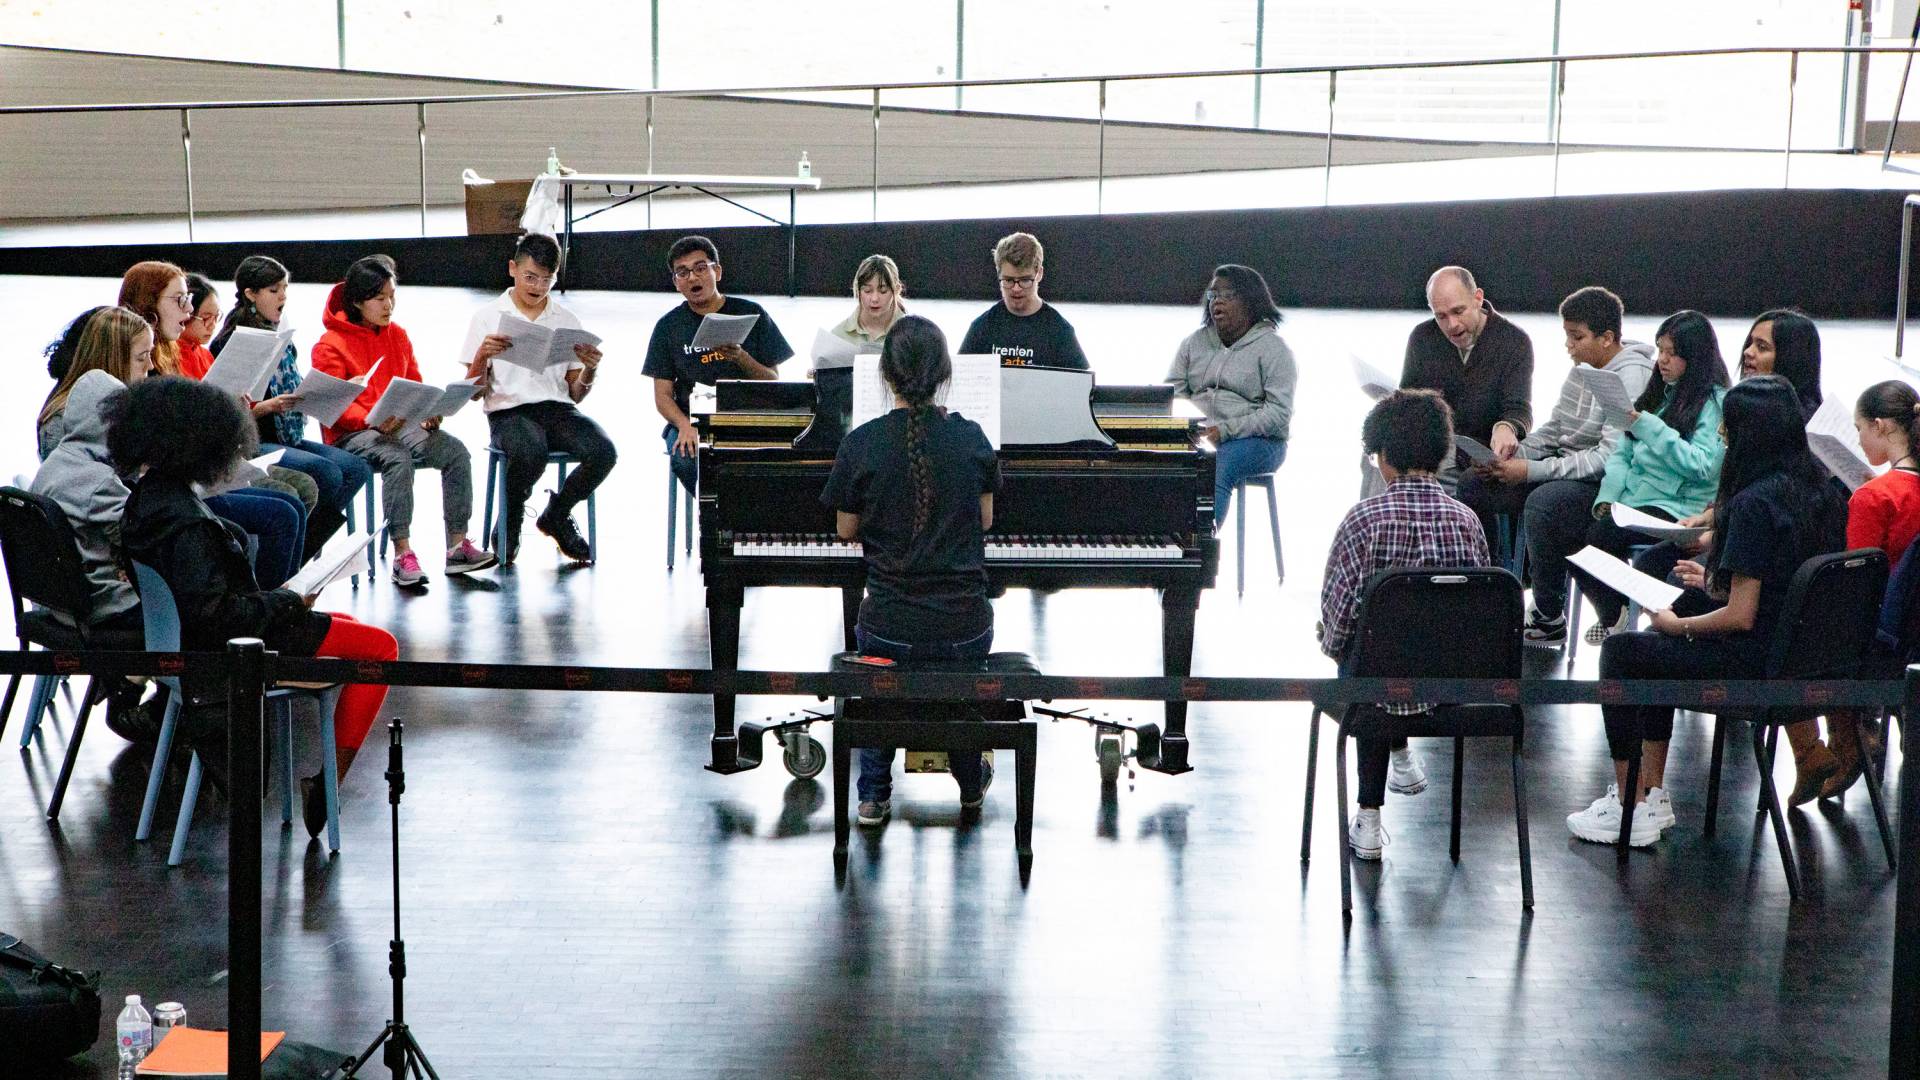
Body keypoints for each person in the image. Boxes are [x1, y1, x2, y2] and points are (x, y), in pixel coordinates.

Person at [110, 375, 400, 838]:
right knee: (380, 648)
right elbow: (219, 615)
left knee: (344, 625)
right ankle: (328, 786)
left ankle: (326, 784)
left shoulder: (150, 499)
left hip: (186, 645)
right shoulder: (185, 523)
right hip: (228, 652)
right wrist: (289, 598)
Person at [1569, 375, 1847, 846]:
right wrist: (1709, 594)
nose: (1720, 436)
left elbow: (1740, 615)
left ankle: (1630, 803)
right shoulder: (1823, 492)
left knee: (1622, 654)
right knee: (1669, 612)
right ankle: (1650, 792)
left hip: (1757, 660)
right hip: (1804, 653)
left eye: (1727, 429)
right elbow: (1778, 581)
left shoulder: (1753, 504)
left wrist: (1679, 627)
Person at [822, 315, 1000, 827]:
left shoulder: (863, 441)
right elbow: (984, 520)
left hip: (889, 626)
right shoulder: (970, 437)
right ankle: (970, 783)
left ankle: (874, 795)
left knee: (879, 684)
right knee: (962, 684)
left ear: (885, 375)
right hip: (964, 626)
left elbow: (846, 530)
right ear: (945, 373)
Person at [1318, 389, 1492, 860]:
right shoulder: (1467, 521)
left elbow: (1337, 620)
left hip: (1375, 688)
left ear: (1383, 458)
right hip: (1451, 689)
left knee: (1369, 665)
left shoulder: (1363, 520)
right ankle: (1400, 756)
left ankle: (1369, 817)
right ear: (1441, 454)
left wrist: (1335, 646)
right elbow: (1479, 615)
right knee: (1398, 652)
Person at [1458, 286, 1656, 643]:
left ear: (1607, 338)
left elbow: (1607, 459)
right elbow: (1556, 429)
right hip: (1568, 470)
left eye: (1577, 337)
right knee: (1476, 483)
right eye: (1567, 336)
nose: (1569, 346)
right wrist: (1516, 454)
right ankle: (1488, 593)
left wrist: (1531, 471)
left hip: (1612, 484)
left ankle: (1549, 614)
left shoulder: (1632, 377)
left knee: (1546, 503)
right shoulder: (1583, 368)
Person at [118, 260, 309, 589]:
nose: (188, 310)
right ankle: (267, 608)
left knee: (295, 499)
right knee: (285, 510)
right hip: (177, 491)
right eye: (180, 301)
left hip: (191, 479)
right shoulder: (148, 364)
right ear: (150, 305)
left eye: (188, 300)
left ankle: (277, 599)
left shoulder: (167, 354)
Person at [312, 254, 497, 587]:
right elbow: (332, 406)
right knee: (396, 457)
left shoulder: (397, 335)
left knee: (456, 452)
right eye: (380, 298)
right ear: (357, 301)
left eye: (392, 297)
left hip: (398, 426)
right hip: (350, 435)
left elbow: (414, 382)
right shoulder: (331, 345)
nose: (389, 305)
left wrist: (428, 411)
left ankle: (457, 545)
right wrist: (371, 421)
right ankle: (402, 553)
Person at [1574, 310, 1729, 646]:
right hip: (1633, 500)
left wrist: (1648, 425)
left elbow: (1702, 465)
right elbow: (1622, 453)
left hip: (1677, 507)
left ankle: (1618, 618)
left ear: (1696, 356)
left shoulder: (1714, 402)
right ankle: (1613, 614)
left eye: (1672, 353)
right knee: (1575, 536)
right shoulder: (1660, 394)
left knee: (1599, 540)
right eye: (1660, 350)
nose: (1663, 360)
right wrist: (1608, 497)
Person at [458, 232, 615, 564]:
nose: (538, 286)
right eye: (531, 277)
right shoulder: (488, 315)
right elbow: (472, 394)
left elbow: (576, 394)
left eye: (547, 279)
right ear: (513, 268)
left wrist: (589, 371)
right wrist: (482, 356)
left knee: (603, 451)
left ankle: (556, 514)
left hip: (557, 408)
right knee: (531, 451)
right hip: (508, 410)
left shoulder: (566, 319)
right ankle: (511, 516)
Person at [210, 255, 372, 558]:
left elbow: (291, 385)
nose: (282, 296)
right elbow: (233, 411)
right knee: (324, 473)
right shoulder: (234, 340)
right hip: (254, 438)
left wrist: (326, 392)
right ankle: (295, 556)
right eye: (273, 290)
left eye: (285, 288)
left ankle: (304, 546)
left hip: (285, 432)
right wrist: (269, 407)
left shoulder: (279, 332)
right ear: (250, 294)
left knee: (355, 468)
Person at [1813, 380, 1920, 799]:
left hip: (1882, 640)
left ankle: (1850, 736)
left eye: (1859, 429)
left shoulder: (1874, 498)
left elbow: (1856, 589)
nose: (1858, 439)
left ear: (1879, 426)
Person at [643, 235, 794, 495]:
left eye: (701, 268)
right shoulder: (668, 327)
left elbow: (773, 382)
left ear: (717, 271)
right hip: (693, 419)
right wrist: (684, 425)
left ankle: (744, 519)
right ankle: (720, 523)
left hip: (747, 415)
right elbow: (662, 396)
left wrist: (741, 358)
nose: (692, 277)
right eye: (683, 272)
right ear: (676, 283)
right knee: (686, 459)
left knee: (781, 458)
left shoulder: (750, 312)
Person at [175, 271, 321, 517]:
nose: (212, 325)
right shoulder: (176, 357)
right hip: (214, 456)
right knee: (295, 494)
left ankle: (299, 553)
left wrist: (239, 406)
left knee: (310, 484)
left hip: (232, 445)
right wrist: (256, 408)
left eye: (215, 317)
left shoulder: (203, 354)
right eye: (205, 318)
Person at [1165, 264, 1297, 526]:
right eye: (1213, 296)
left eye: (1227, 295)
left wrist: (1224, 430)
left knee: (1218, 464)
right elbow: (1173, 394)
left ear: (1250, 301)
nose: (1217, 303)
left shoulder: (1274, 349)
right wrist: (1187, 427)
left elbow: (1278, 413)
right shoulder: (1194, 343)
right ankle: (1155, 541)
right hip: (1200, 435)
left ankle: (1200, 546)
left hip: (1258, 442)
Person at [1400, 266, 1533, 480]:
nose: (1452, 324)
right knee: (1381, 453)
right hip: (1431, 441)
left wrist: (1506, 427)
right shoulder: (1422, 337)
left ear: (1478, 298)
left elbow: (1519, 409)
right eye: (1441, 316)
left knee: (1442, 462)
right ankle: (1378, 513)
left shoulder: (1514, 341)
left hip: (1477, 449)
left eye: (1458, 311)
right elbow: (1408, 398)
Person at [958, 232, 1090, 371]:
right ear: (998, 273)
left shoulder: (1060, 331)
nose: (1016, 288)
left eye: (1025, 280)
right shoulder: (981, 328)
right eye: (1008, 280)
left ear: (1039, 273)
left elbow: (1080, 387)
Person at [38, 306, 153, 459]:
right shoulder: (61, 424)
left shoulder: (126, 409)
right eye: (141, 357)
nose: (150, 365)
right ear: (111, 360)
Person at [1738, 308, 1823, 420]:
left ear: (1790, 359)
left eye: (1762, 347)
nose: (1747, 352)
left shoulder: (1809, 425)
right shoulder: (1741, 406)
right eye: (1749, 343)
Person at [827, 254, 908, 351]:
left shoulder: (912, 334)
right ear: (857, 291)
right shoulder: (838, 337)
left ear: (897, 290)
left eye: (883, 291)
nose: (874, 299)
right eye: (867, 291)